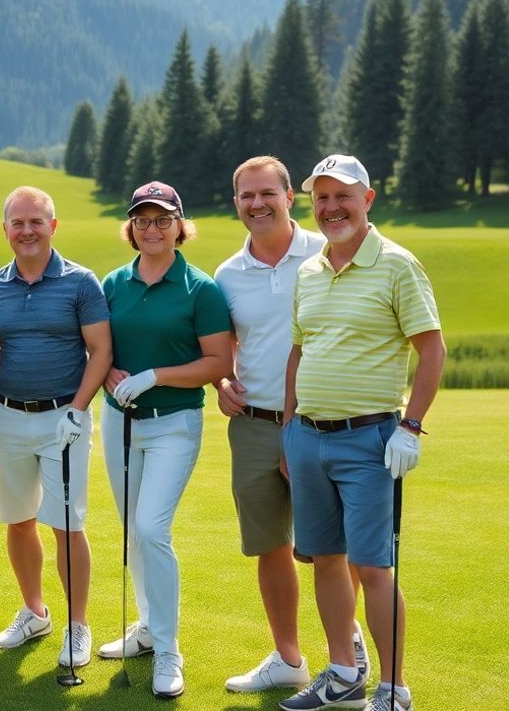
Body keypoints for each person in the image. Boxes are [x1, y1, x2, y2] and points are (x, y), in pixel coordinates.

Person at [280, 155, 444, 711]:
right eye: (321, 199)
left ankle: (394, 689)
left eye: (342, 196)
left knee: (373, 566)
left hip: (371, 440)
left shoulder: (398, 265)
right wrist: (287, 428)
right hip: (308, 437)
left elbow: (432, 349)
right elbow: (299, 352)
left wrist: (411, 427)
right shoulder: (308, 270)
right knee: (325, 559)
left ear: (368, 199)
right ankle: (343, 676)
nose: (331, 208)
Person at [213, 157, 370, 693]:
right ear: (236, 203)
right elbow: (224, 349)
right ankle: (288, 659)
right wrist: (222, 383)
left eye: (266, 193)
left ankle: (347, 653)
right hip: (253, 424)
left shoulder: (328, 251)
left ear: (288, 196)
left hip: (320, 423)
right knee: (268, 545)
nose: (256, 204)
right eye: (245, 196)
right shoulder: (227, 274)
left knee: (332, 547)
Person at [96, 180, 231, 699]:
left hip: (174, 423)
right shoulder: (113, 283)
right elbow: (100, 348)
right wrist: (109, 377)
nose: (152, 229)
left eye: (163, 219)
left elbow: (218, 363)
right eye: (143, 220)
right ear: (132, 228)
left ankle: (170, 650)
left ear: (180, 225)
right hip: (119, 421)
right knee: (133, 529)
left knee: (152, 528)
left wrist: (153, 375)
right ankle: (148, 629)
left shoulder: (201, 288)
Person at [0, 185, 112, 670]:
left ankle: (78, 625)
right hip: (9, 415)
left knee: (66, 523)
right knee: (18, 519)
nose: (27, 230)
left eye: (36, 221)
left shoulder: (81, 282)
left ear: (53, 226)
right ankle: (35, 612)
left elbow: (101, 351)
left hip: (66, 417)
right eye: (18, 222)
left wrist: (79, 409)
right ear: (6, 230)